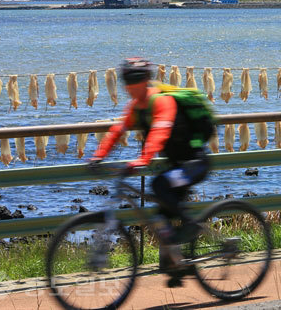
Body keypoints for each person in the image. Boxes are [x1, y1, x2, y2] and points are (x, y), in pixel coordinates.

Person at [89, 58, 211, 282]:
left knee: (159, 185)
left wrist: (143, 159)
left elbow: (160, 130)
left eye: (135, 80)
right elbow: (118, 130)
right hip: (176, 166)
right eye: (127, 80)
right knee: (162, 216)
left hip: (195, 163)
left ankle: (193, 227)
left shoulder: (162, 101)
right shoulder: (136, 107)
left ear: (146, 80)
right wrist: (98, 155)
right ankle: (179, 264)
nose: (129, 86)